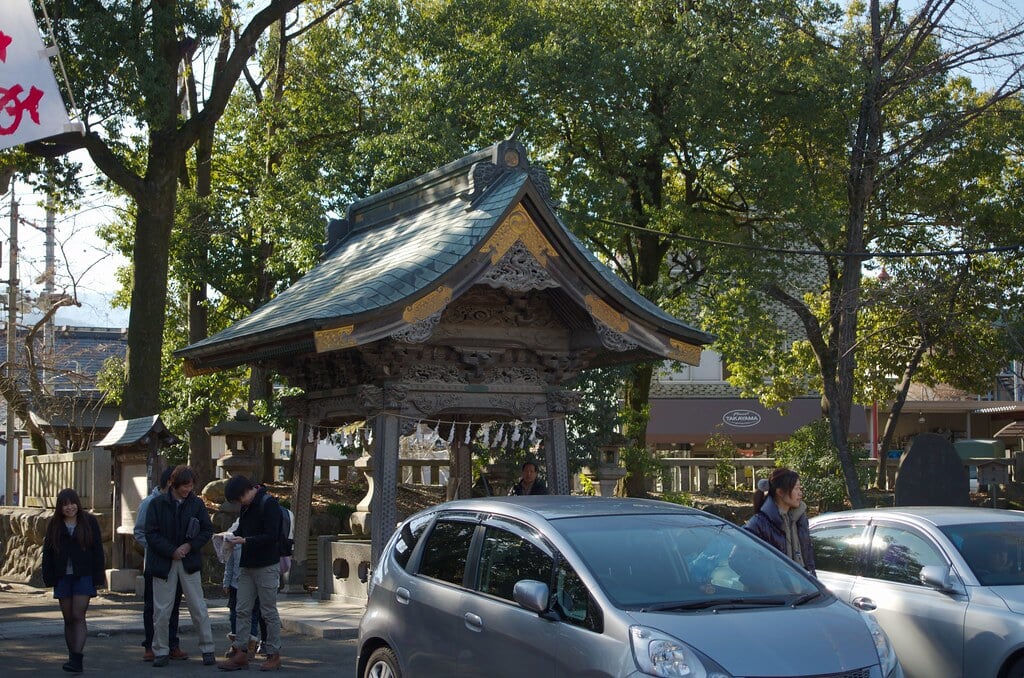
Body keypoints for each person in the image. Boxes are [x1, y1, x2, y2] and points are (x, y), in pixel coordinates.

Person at [144, 465, 216, 667]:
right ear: (173, 484)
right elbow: (150, 533)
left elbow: (206, 529)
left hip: (188, 560)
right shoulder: (157, 504)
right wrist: (171, 550)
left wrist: (189, 545)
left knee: (198, 606)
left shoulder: (197, 504)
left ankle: (207, 648)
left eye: (190, 485)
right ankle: (160, 650)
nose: (188, 489)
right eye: (184, 485)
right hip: (164, 562)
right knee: (162, 610)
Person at [218, 475, 284, 672]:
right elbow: (243, 529)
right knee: (242, 609)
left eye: (240, 499)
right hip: (246, 566)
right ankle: (241, 651)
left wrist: (246, 541)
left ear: (248, 490)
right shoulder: (246, 506)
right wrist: (229, 537)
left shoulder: (269, 503)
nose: (240, 503)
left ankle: (273, 653)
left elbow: (272, 536)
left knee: (268, 611)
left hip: (266, 565)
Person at [41, 488, 106, 673]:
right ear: (60, 507)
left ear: (77, 503)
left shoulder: (89, 522)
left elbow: (98, 551)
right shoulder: (55, 524)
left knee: (78, 615)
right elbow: (47, 552)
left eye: (72, 503)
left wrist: (98, 576)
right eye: (65, 504)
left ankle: (77, 658)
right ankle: (72, 656)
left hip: (83, 575)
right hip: (62, 576)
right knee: (68, 617)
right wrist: (48, 576)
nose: (69, 507)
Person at [134, 466, 187, 662]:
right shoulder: (150, 503)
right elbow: (140, 532)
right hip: (156, 562)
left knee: (173, 605)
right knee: (152, 605)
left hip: (177, 561)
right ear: (171, 484)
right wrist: (162, 548)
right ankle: (150, 644)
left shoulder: (182, 502)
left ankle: (172, 643)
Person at [744, 467, 816, 576]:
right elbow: (735, 561)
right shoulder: (759, 523)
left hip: (802, 589)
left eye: (800, 489)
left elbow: (808, 558)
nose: (800, 493)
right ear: (780, 492)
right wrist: (770, 583)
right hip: (776, 591)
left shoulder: (800, 519)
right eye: (796, 489)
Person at [222, 517, 266, 658]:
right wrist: (226, 582)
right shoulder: (235, 543)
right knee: (234, 614)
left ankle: (250, 644)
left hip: (253, 584)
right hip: (236, 583)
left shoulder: (256, 541)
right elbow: (229, 563)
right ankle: (236, 644)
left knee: (252, 614)